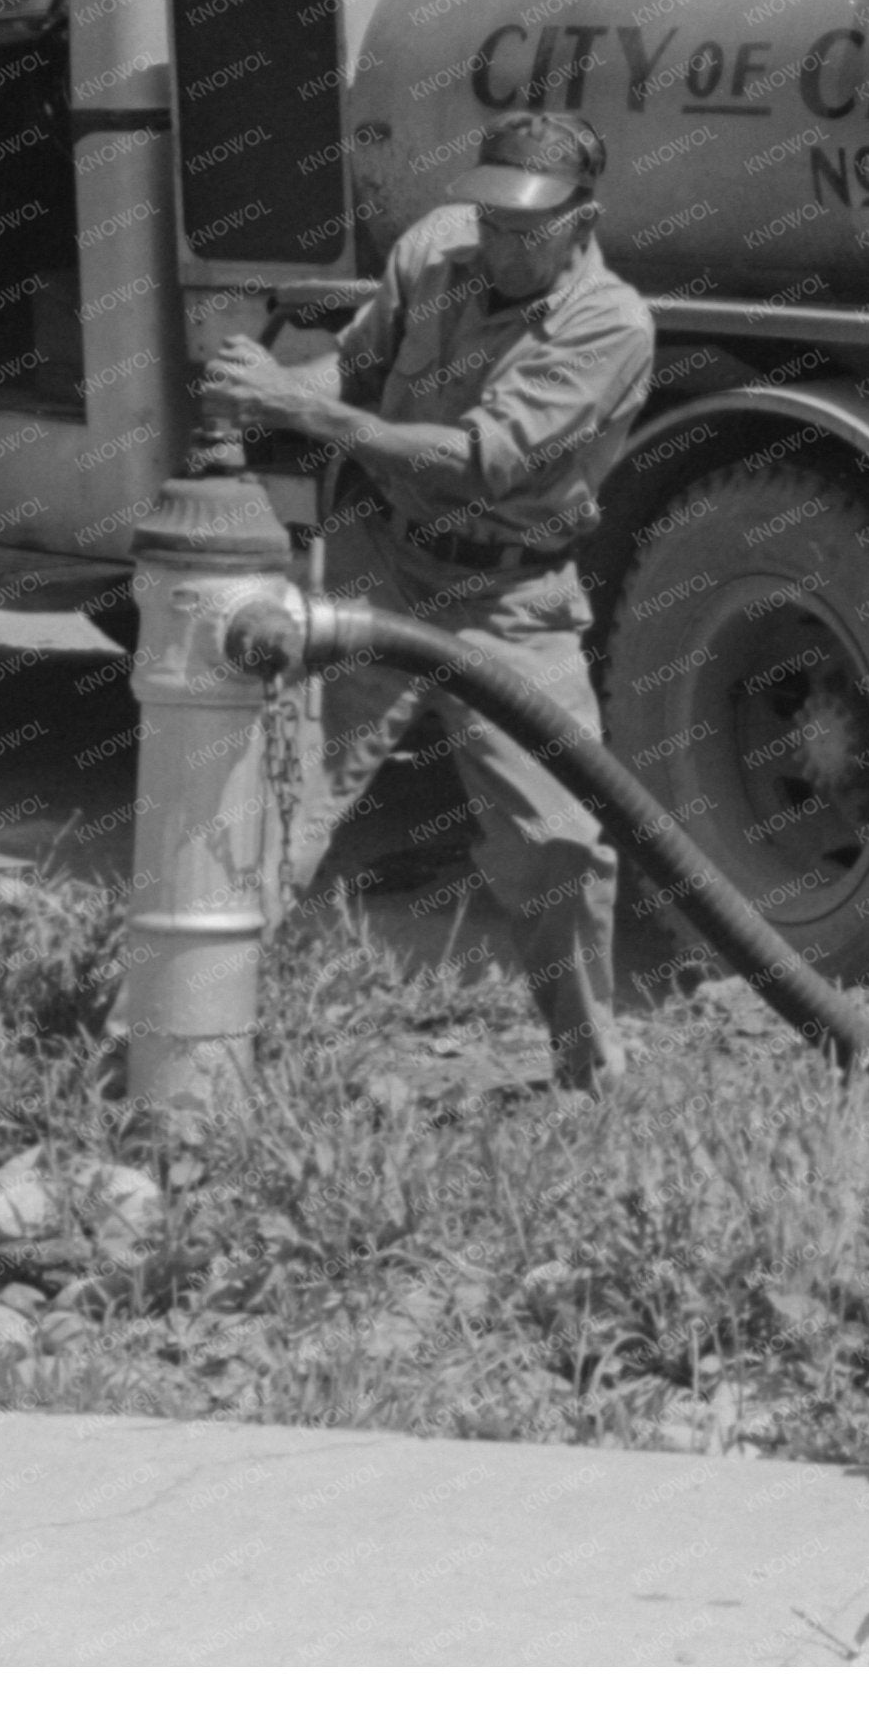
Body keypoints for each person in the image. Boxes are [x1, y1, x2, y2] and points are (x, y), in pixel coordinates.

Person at [202, 109, 656, 1090]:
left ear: (583, 223)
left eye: (522, 229)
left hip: (510, 599)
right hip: (380, 563)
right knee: (277, 808)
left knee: (559, 842)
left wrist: (300, 408)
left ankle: (591, 1076)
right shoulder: (435, 250)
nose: (494, 241)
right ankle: (180, 1048)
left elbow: (482, 464)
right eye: (487, 216)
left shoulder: (607, 323)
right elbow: (357, 369)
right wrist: (272, 380)